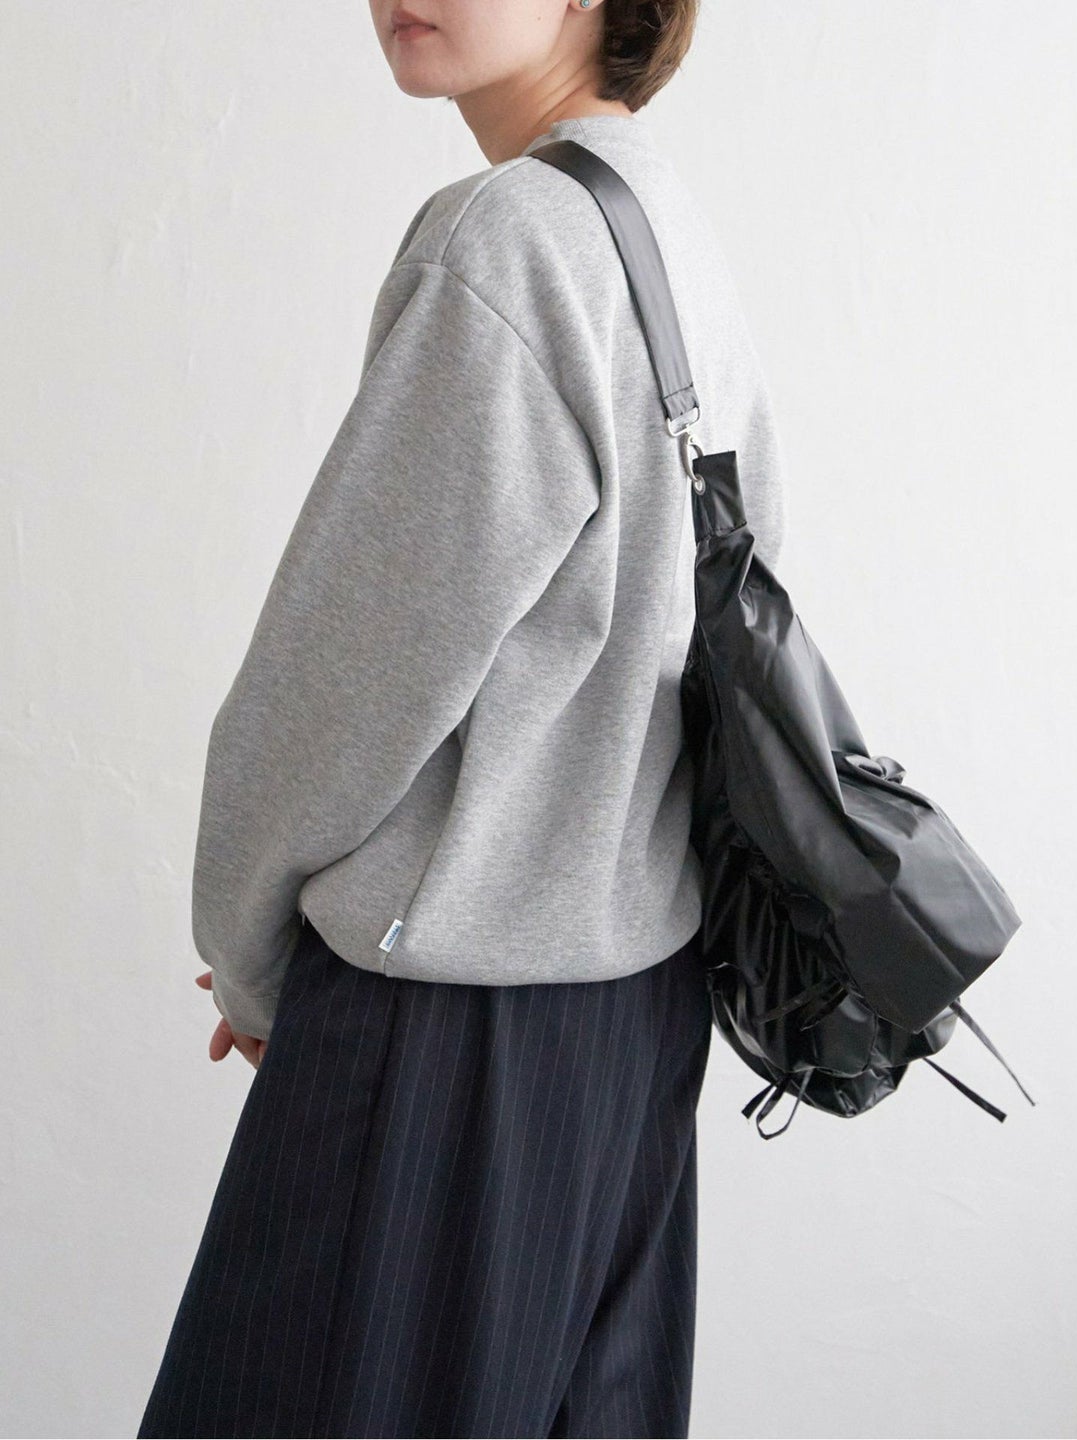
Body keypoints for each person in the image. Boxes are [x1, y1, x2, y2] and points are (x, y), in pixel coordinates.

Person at [137, 1, 787, 1435]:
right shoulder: (666, 225)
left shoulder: (508, 241)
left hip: (447, 1036)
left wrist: (247, 962)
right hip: (634, 1023)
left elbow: (340, 684)